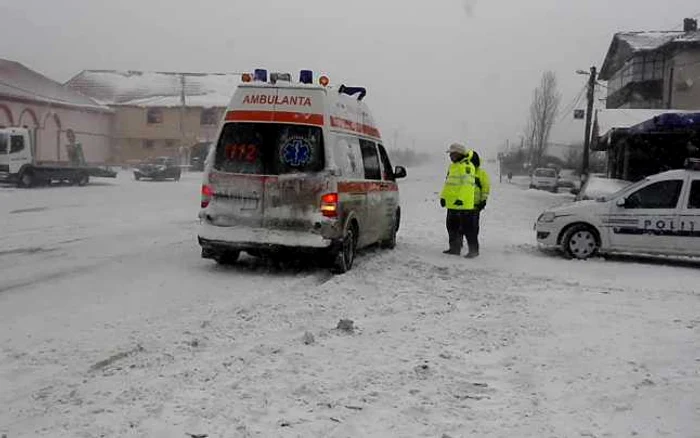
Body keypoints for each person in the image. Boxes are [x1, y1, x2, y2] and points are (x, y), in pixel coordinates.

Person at [440, 143, 477, 257]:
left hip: (464, 205)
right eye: (450, 154)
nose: (450, 156)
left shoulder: (467, 166)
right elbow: (448, 184)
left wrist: (461, 199)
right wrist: (443, 197)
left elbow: (467, 185)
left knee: (468, 229)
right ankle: (454, 248)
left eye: (452, 154)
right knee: (451, 227)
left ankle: (473, 250)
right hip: (452, 204)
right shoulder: (452, 167)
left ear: (459, 154)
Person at [467, 149, 491, 257]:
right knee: (463, 227)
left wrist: (483, 201)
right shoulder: (466, 171)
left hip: (475, 204)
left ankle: (474, 250)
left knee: (472, 228)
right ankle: (461, 246)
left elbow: (485, 188)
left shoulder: (481, 173)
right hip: (464, 204)